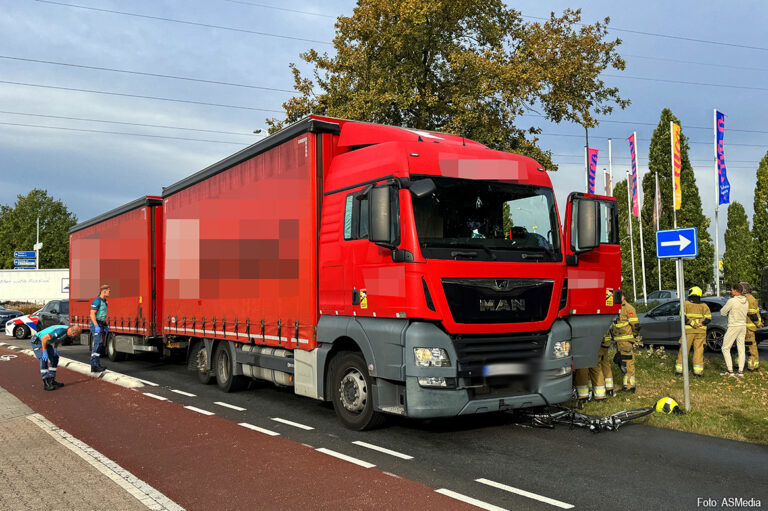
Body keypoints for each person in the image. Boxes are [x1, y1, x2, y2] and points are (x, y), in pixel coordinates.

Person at [31, 324, 82, 390]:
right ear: (73, 332)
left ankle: (52, 380)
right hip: (38, 341)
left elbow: (59, 339)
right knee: (44, 359)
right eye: (76, 335)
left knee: (54, 358)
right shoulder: (61, 330)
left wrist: (55, 349)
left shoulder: (67, 332)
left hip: (47, 342)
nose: (75, 337)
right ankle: (46, 382)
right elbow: (44, 338)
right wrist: (45, 352)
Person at [674, 287, 712, 376]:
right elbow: (708, 318)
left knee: (684, 350)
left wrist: (692, 323)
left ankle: (680, 370)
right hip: (701, 332)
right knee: (699, 351)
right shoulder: (704, 306)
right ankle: (698, 371)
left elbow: (682, 316)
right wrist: (700, 323)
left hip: (689, 331)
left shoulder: (685, 304)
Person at [720, 283, 749, 378]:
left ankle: (730, 371)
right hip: (743, 326)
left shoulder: (732, 301)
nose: (731, 291)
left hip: (734, 326)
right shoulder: (746, 301)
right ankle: (740, 371)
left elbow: (722, 312)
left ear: (736, 291)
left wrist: (728, 313)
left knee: (725, 348)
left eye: (732, 290)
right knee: (741, 348)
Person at [612, 294, 639, 392]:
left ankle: (629, 386)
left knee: (628, 364)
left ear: (622, 296)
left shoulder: (629, 308)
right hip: (619, 342)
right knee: (621, 362)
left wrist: (633, 337)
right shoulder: (615, 307)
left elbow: (635, 326)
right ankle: (628, 384)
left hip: (626, 342)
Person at [740, 282, 762, 371]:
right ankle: (752, 366)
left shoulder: (740, 299)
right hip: (749, 328)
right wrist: (758, 323)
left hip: (741, 327)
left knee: (741, 346)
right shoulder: (750, 299)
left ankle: (739, 364)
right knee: (751, 347)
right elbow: (753, 314)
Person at [90, 284, 110, 373]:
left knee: (100, 344)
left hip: (101, 324)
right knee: (97, 344)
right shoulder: (97, 301)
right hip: (96, 324)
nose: (109, 292)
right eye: (109, 291)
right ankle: (94, 365)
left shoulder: (105, 301)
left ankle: (97, 364)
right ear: (104, 291)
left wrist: (105, 325)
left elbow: (102, 315)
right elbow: (92, 314)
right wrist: (96, 325)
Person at [597, 328, 615, 397]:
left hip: (600, 343)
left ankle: (600, 392)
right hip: (606, 342)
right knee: (605, 363)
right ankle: (609, 388)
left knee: (596, 366)